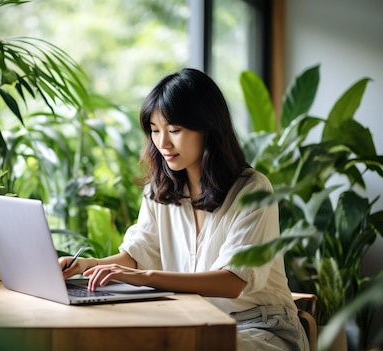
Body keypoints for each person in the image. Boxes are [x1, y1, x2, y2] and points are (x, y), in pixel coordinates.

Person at [59, 68, 309, 351]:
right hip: (195, 323)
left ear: (208, 128)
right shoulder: (159, 192)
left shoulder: (252, 190)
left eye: (174, 130)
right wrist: (87, 265)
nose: (163, 143)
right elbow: (138, 255)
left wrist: (144, 278)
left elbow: (232, 282)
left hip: (260, 328)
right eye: (155, 131)